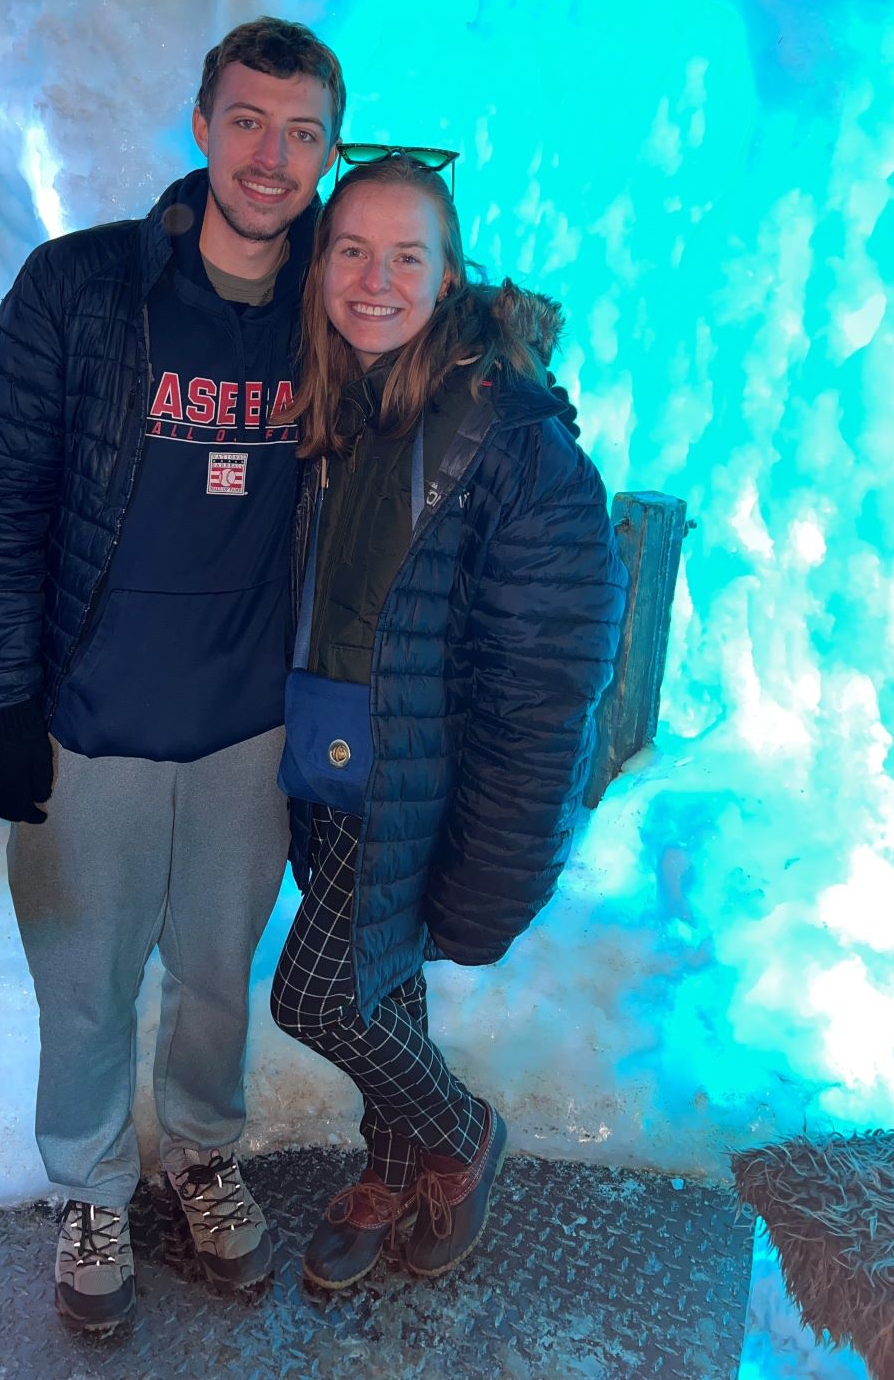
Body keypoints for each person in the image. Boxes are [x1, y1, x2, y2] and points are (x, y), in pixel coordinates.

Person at [0, 18, 345, 1332]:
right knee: (85, 978)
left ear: (328, 149)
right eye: (245, 121)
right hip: (88, 727)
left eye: (299, 133)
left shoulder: (335, 314)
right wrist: (3, 699)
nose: (268, 158)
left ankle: (205, 1156)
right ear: (199, 124)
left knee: (217, 973)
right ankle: (92, 1187)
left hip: (246, 733)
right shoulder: (84, 289)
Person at [268, 153, 627, 1290]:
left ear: (449, 270)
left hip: (419, 784)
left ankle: (458, 1133)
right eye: (351, 250)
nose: (375, 279)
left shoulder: (514, 438)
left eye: (406, 255)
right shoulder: (344, 398)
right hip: (330, 753)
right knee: (380, 985)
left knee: (316, 995)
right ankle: (391, 1160)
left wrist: (500, 852)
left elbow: (546, 681)